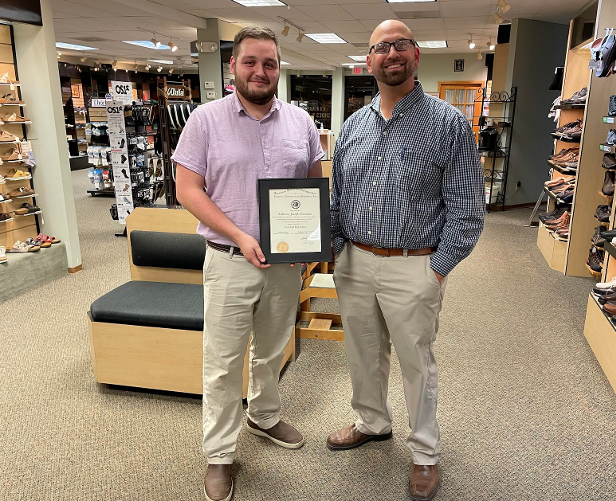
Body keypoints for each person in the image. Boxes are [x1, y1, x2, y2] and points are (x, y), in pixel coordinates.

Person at [327, 20, 485, 501]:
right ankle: (372, 422)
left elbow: (467, 208)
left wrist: (436, 269)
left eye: (400, 45)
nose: (390, 53)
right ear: (368, 60)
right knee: (363, 352)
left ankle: (425, 453)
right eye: (380, 47)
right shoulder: (352, 124)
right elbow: (337, 197)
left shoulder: (448, 123)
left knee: (417, 362)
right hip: (354, 260)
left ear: (415, 55)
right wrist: (333, 249)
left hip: (414, 263)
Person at [173, 26, 323, 501]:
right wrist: (240, 233)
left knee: (272, 348)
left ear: (280, 69)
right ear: (233, 67)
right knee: (222, 362)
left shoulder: (300, 121)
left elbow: (311, 185)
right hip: (229, 260)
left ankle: (264, 415)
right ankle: (219, 455)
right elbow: (186, 190)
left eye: (270, 63)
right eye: (251, 62)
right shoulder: (205, 120)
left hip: (283, 265)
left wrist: (310, 240)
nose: (261, 71)